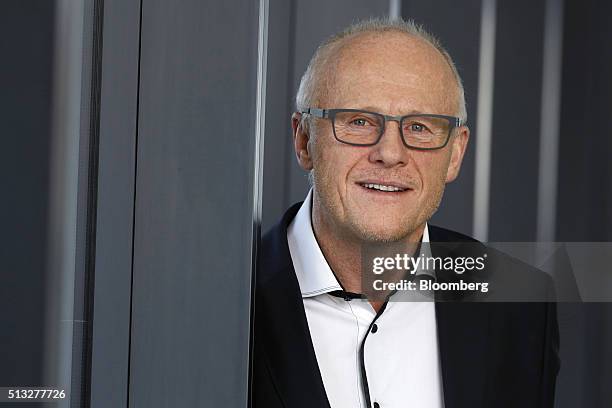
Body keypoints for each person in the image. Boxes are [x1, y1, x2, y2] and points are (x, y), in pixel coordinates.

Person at [252, 18, 559, 408]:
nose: (391, 154)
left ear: (456, 154)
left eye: (419, 127)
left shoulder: (520, 304)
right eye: (359, 121)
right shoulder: (225, 296)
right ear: (304, 140)